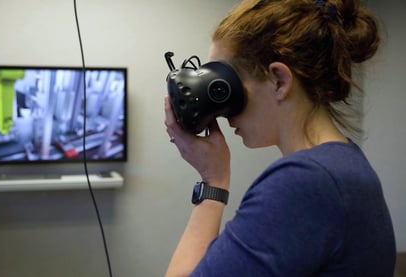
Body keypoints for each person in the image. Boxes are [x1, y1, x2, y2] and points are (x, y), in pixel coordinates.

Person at [164, 0, 396, 276]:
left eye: (226, 87)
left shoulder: (305, 182)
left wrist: (213, 183)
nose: (222, 113)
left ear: (279, 80)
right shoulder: (345, 164)